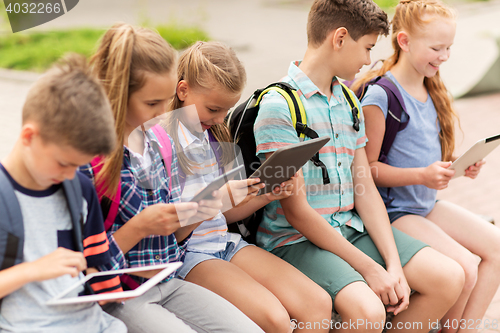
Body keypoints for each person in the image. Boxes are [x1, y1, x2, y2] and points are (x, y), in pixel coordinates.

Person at [253, 0, 466, 331]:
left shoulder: (349, 101)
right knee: (368, 311)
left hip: (350, 228)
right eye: (366, 47)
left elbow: (365, 191)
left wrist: (393, 264)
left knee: (448, 277)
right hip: (295, 241)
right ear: (339, 38)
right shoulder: (280, 105)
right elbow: (296, 212)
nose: (369, 60)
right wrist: (371, 269)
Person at [80, 23, 264, 333]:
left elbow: (174, 242)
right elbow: (81, 264)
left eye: (165, 100)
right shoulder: (89, 160)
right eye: (153, 103)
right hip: (120, 292)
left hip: (165, 279)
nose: (167, 111)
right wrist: (139, 227)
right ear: (116, 93)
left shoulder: (157, 142)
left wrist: (208, 205)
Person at [161, 40, 333, 333]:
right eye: (213, 109)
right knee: (276, 320)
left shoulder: (214, 135)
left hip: (225, 243)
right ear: (183, 90)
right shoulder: (162, 143)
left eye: (226, 110)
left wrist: (266, 193)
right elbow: (172, 234)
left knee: (317, 304)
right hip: (189, 254)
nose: (219, 119)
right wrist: (213, 200)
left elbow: (226, 217)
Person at [353, 0, 500, 332]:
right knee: (463, 267)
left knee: (496, 246)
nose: (444, 56)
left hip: (424, 204)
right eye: (436, 47)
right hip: (395, 211)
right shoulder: (382, 97)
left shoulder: (429, 86)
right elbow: (367, 169)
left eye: (448, 47)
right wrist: (422, 175)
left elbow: (419, 157)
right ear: (404, 41)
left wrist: (458, 166)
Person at [0, 54, 126, 332]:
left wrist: (109, 282)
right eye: (63, 163)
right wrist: (33, 269)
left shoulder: (78, 188)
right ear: (29, 136)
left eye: (78, 165)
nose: (71, 174)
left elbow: (95, 265)